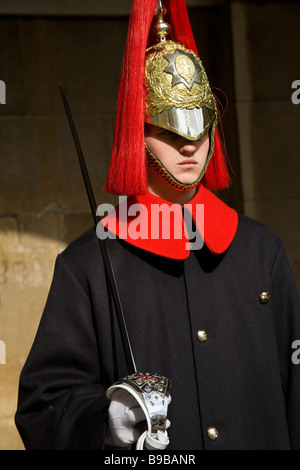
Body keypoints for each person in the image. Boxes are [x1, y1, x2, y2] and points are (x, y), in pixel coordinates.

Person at [15, 0, 300, 450]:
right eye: (169, 132)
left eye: (199, 128)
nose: (189, 147)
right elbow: (43, 405)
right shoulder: (87, 265)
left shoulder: (261, 251)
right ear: (138, 137)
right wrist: (105, 419)